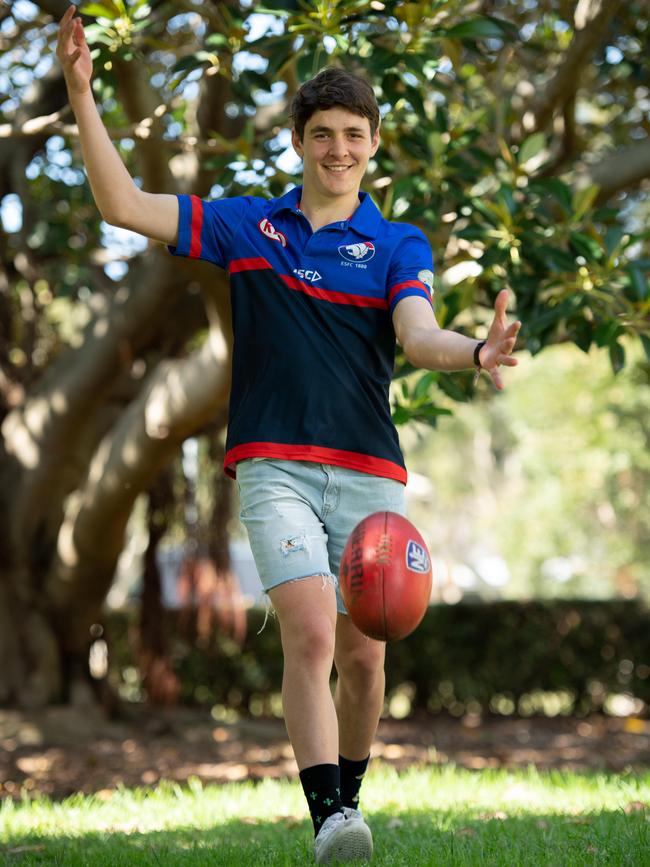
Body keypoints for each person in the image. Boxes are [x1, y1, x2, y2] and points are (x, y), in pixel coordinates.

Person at [57, 6, 520, 864]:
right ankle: (330, 823)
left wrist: (478, 349)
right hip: (273, 464)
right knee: (310, 629)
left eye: (353, 134)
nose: (337, 149)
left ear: (373, 143)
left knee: (365, 654)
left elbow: (417, 336)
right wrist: (84, 94)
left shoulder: (395, 241)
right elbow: (122, 202)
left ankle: (349, 794)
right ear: (300, 143)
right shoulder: (247, 228)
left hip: (371, 473)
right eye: (321, 134)